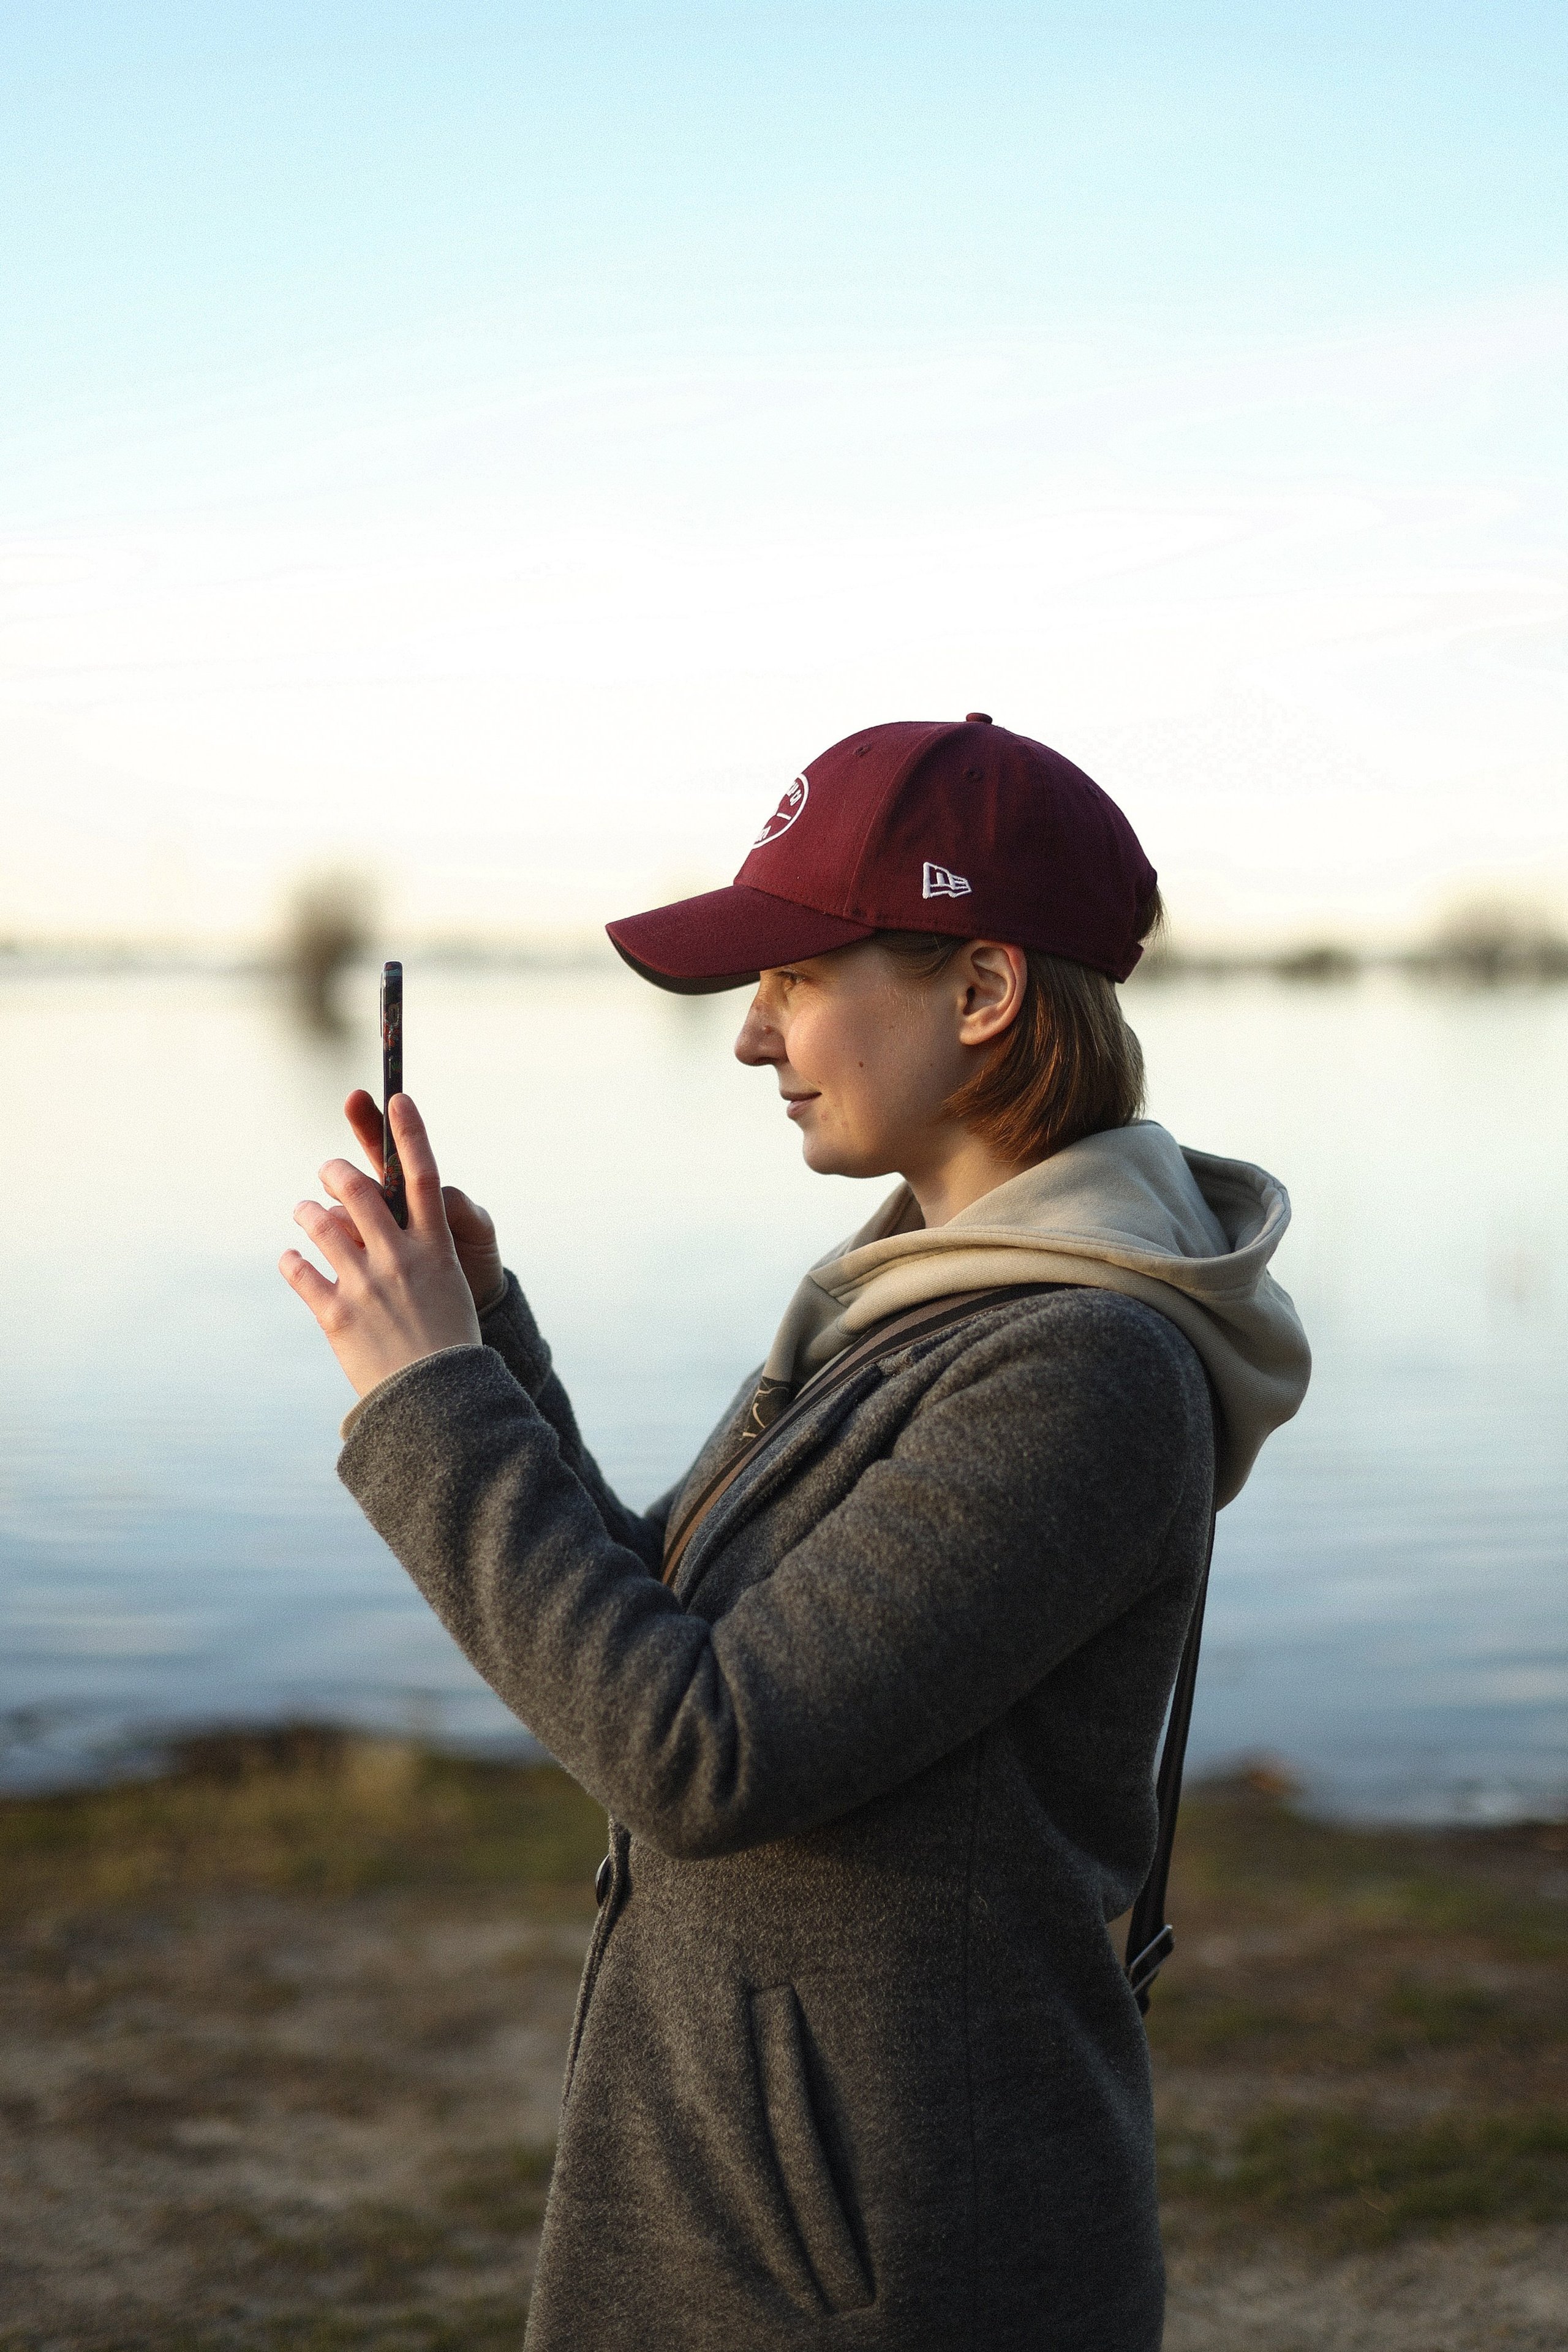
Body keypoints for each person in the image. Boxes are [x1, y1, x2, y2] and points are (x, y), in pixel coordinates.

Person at [280, 714, 1310, 2351]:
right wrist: (481, 1346)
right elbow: (671, 1624)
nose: (753, 1037)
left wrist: (430, 1403)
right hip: (788, 2215)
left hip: (892, 2266)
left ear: (984, 988)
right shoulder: (920, 1301)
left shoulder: (1080, 1366)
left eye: (797, 978)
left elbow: (700, 1751)